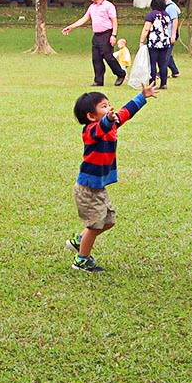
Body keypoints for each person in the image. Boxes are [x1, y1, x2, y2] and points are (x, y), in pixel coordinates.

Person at [66, 80, 156, 272]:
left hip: (98, 187)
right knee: (95, 225)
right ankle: (81, 260)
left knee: (108, 221)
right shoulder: (91, 131)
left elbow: (125, 112)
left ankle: (79, 240)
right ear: (91, 116)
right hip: (88, 189)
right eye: (104, 106)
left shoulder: (111, 124)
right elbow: (103, 126)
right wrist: (107, 119)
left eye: (108, 105)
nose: (109, 109)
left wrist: (142, 96)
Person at [61, 0, 126, 87]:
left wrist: (113, 35)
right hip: (97, 35)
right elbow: (84, 19)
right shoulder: (92, 7)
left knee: (108, 57)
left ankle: (120, 74)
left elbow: (114, 21)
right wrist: (71, 27)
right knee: (96, 58)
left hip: (106, 33)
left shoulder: (108, 6)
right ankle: (98, 80)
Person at [139, 0, 174, 88]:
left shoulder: (151, 15)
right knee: (163, 63)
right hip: (165, 42)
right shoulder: (166, 15)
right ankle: (164, 83)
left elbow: (146, 29)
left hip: (154, 42)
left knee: (152, 63)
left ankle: (152, 83)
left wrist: (141, 41)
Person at [160, 0, 183, 80]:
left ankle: (161, 72)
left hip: (170, 34)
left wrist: (173, 35)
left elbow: (175, 21)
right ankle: (175, 71)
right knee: (167, 53)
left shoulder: (171, 7)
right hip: (165, 34)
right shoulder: (164, 6)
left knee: (165, 55)